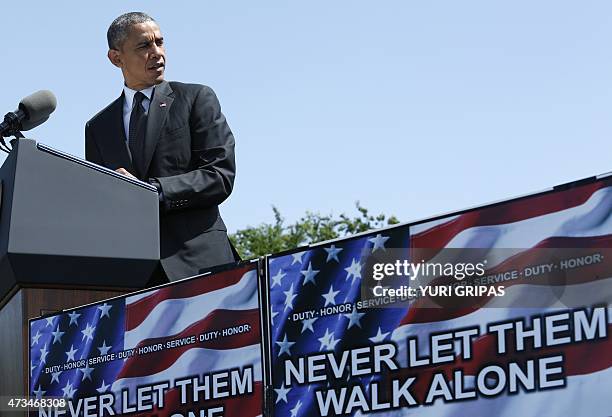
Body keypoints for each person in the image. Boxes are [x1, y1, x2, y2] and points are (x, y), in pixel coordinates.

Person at [85, 12, 239, 282]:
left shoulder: (196, 98)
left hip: (201, 266)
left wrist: (151, 192)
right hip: (134, 281)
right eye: (144, 45)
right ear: (116, 58)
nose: (157, 53)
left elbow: (219, 176)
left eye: (160, 42)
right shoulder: (98, 128)